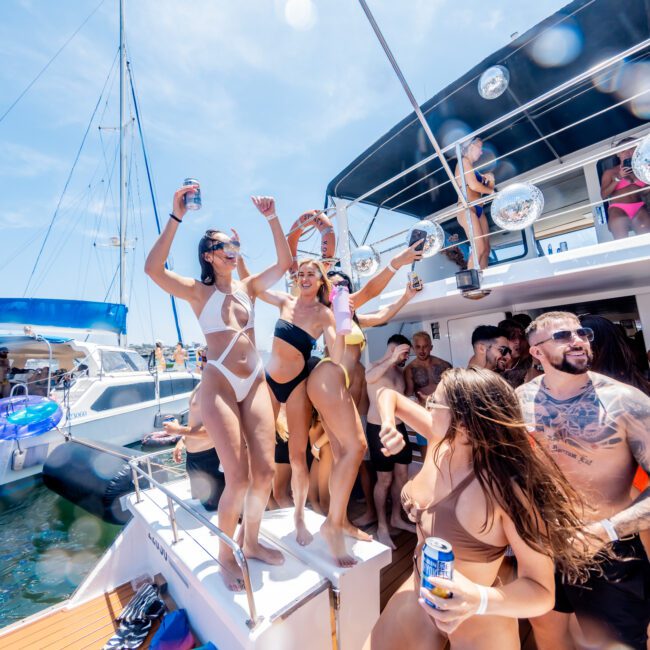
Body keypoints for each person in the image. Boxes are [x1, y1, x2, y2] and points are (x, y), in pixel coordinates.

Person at [366, 367, 596, 650]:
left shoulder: (508, 489)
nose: (426, 405)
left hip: (478, 614)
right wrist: (388, 423)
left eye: (434, 403)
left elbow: (542, 592)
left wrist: (477, 598)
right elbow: (387, 394)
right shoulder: (441, 440)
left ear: (464, 424)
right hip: (419, 594)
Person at [145, 187, 291, 591]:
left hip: (255, 379)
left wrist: (273, 218)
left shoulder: (249, 288)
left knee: (265, 471)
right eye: (226, 245)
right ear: (209, 255)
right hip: (220, 383)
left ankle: (253, 541)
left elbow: (285, 261)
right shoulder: (199, 291)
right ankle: (227, 555)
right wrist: (175, 217)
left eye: (236, 245)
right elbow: (153, 270)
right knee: (239, 479)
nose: (234, 249)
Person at [517, 311, 650, 649]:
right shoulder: (520, 401)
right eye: (563, 336)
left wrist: (606, 529)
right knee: (549, 634)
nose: (577, 340)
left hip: (607, 550)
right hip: (544, 547)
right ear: (536, 352)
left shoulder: (626, 402)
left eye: (582, 333)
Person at [307, 247, 423, 566]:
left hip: (337, 384)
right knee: (355, 450)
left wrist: (406, 298)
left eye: (345, 281)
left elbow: (383, 314)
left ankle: (340, 519)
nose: (343, 285)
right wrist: (396, 262)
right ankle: (333, 523)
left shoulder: (351, 319)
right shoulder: (330, 310)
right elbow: (371, 290)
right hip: (331, 381)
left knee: (346, 455)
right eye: (336, 283)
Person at [236, 254, 344, 546]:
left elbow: (338, 354)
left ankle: (298, 517)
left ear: (321, 280)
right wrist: (241, 259)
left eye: (311, 274)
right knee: (258, 450)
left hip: (297, 386)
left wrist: (342, 318)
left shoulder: (325, 314)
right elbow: (254, 287)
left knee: (297, 457)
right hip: (269, 383)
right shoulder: (285, 301)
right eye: (302, 274)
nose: (305, 279)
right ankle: (248, 517)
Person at [365, 334, 416, 549]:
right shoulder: (376, 366)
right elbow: (369, 379)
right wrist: (392, 358)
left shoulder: (400, 371)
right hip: (379, 430)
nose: (406, 357)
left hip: (400, 428)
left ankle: (397, 517)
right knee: (384, 480)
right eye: (405, 352)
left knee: (402, 476)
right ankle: (382, 527)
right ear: (395, 348)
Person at [171, 383, 224, 511]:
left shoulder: (215, 388)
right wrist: (182, 441)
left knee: (214, 509)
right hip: (194, 459)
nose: (201, 363)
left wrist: (179, 430)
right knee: (207, 508)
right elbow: (196, 420)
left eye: (204, 360)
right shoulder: (202, 384)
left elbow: (213, 430)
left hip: (208, 460)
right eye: (201, 360)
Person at [454, 137, 495, 270]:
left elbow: (484, 190)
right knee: (479, 247)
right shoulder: (464, 162)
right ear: (471, 146)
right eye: (480, 147)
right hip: (467, 208)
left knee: (486, 249)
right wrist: (492, 191)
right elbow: (474, 186)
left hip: (479, 209)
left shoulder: (472, 168)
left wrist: (490, 179)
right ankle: (471, 283)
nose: (481, 152)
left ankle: (483, 280)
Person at [600, 137, 650, 239]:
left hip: (639, 207)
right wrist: (618, 177)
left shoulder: (642, 169)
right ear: (618, 154)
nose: (628, 153)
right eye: (623, 151)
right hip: (618, 208)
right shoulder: (610, 172)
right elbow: (604, 195)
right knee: (622, 241)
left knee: (647, 240)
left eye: (631, 149)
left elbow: (644, 192)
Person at [404, 332, 452, 405]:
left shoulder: (445, 365)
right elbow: (409, 395)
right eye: (418, 347)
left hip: (444, 406)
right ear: (413, 349)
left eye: (425, 346)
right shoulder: (409, 370)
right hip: (425, 409)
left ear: (431, 347)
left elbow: (453, 389)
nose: (422, 350)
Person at [498, 318, 535, 388]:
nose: (518, 341)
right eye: (512, 337)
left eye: (521, 337)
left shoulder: (531, 364)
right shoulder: (492, 366)